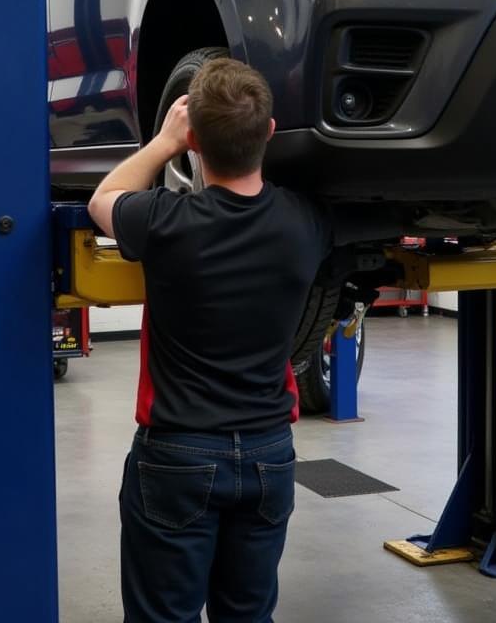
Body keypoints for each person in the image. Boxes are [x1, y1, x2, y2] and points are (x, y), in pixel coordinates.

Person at [88, 57, 337, 623]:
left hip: (178, 455)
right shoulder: (306, 222)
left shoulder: (167, 222)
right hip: (270, 455)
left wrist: (162, 143)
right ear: (269, 133)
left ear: (193, 142)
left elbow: (102, 198)